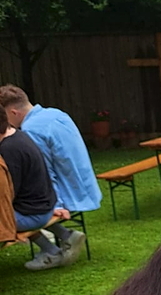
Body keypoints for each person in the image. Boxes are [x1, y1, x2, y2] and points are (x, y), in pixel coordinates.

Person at [0, 103, 87, 270]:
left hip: (34, 212)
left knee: (4, 221)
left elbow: (8, 193)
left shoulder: (8, 150)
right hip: (45, 204)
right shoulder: (18, 135)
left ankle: (51, 253)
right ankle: (65, 235)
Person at [0, 84, 102, 214]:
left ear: (13, 113)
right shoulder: (57, 113)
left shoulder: (31, 129)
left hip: (68, 197)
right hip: (87, 188)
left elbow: (45, 171)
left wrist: (55, 205)